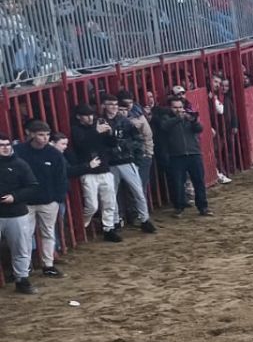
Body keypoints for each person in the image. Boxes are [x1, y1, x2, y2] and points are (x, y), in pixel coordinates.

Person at [17, 119, 66, 278]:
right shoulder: (18, 151)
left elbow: (61, 177)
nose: (44, 138)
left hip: (48, 200)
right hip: (27, 201)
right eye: (40, 135)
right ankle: (26, 266)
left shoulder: (53, 153)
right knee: (25, 235)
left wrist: (57, 198)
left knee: (48, 233)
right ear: (30, 134)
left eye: (47, 135)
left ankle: (48, 264)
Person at [68, 103, 122, 243]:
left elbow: (112, 144)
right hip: (88, 170)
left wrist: (110, 133)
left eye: (91, 114)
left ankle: (108, 228)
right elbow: (81, 145)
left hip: (104, 168)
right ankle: (82, 225)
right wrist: (96, 132)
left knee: (109, 201)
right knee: (92, 205)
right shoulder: (76, 129)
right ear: (79, 117)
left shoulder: (97, 126)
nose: (90, 118)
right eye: (86, 115)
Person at [102, 99, 155, 233]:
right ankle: (115, 222)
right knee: (112, 194)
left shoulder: (125, 122)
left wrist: (132, 154)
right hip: (111, 163)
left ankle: (144, 219)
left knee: (137, 191)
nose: (114, 107)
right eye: (111, 105)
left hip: (126, 160)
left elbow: (138, 140)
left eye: (115, 105)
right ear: (104, 106)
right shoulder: (101, 122)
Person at [152, 95, 210, 216]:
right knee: (178, 183)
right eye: (175, 107)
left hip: (194, 153)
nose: (178, 109)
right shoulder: (166, 117)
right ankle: (179, 207)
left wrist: (193, 120)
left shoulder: (188, 116)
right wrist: (179, 118)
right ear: (170, 108)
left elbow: (199, 129)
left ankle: (203, 207)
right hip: (176, 155)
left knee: (199, 181)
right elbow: (164, 126)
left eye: (180, 107)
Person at [0, 133, 37, 293]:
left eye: (8, 144)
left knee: (21, 248)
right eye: (2, 145)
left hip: (16, 212)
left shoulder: (20, 164)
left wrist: (15, 197)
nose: (6, 148)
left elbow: (33, 186)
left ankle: (22, 279)